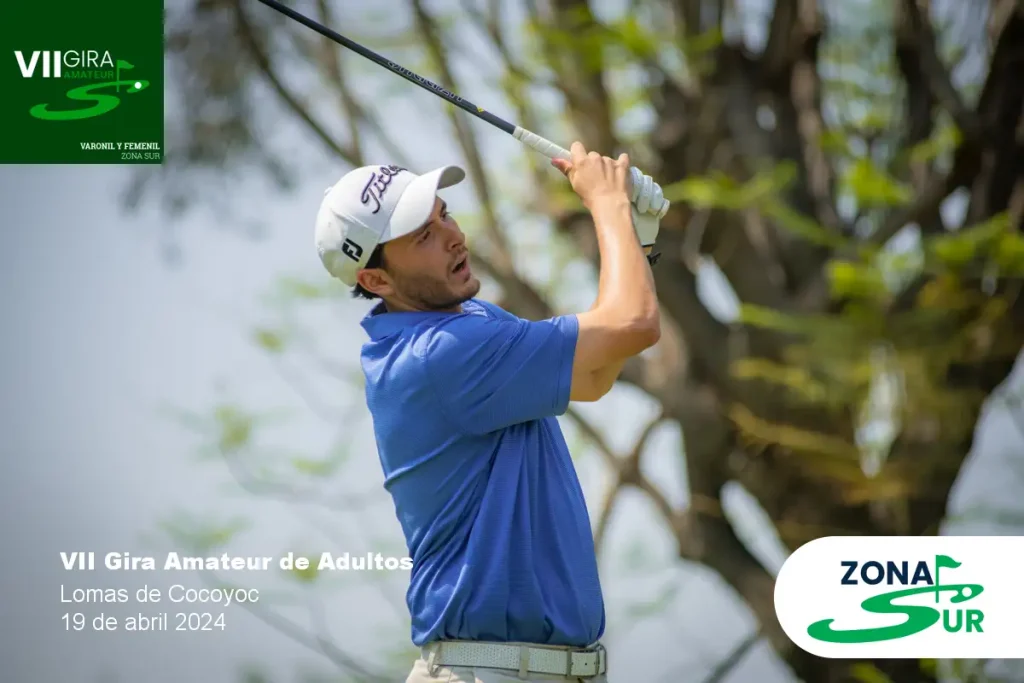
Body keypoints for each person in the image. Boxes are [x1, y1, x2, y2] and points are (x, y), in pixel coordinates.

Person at [313, 141, 664, 683]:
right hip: (488, 671)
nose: (453, 236)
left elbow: (593, 377)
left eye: (444, 214)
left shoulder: (470, 320)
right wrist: (607, 204)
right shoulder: (440, 354)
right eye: (423, 236)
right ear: (376, 280)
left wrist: (636, 244)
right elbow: (634, 324)